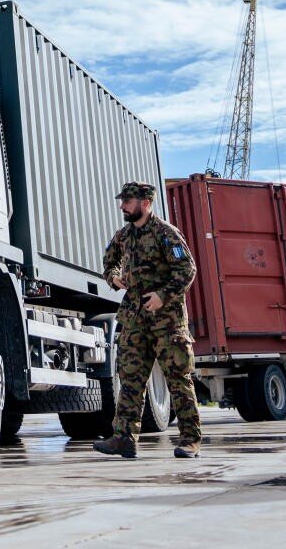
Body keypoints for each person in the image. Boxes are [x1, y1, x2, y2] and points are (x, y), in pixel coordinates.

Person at [93, 181, 202, 459]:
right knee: (130, 380)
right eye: (122, 200)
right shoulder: (124, 235)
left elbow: (187, 269)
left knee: (178, 379)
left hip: (166, 319)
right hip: (134, 318)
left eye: (127, 201)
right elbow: (109, 261)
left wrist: (163, 296)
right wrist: (113, 277)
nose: (122, 206)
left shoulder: (166, 234)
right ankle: (124, 439)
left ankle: (190, 440)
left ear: (145, 202)